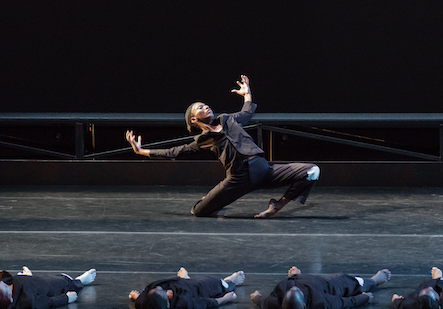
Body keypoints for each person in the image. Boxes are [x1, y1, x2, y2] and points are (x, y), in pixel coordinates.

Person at [126, 75, 320, 218]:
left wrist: (247, 94)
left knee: (312, 171)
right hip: (238, 179)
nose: (206, 107)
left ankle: (276, 206)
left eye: (206, 105)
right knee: (199, 211)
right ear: (194, 119)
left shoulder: (227, 119)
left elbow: (246, 113)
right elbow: (175, 151)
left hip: (262, 170)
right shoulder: (203, 139)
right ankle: (211, 199)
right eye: (201, 107)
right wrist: (141, 150)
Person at [251, 266, 391, 309]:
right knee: (346, 281)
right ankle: (373, 281)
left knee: (294, 280)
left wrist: (255, 296)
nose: (294, 289)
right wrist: (363, 298)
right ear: (304, 303)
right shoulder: (321, 303)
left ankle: (297, 275)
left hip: (296, 279)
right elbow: (345, 303)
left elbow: (260, 300)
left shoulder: (272, 304)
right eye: (297, 291)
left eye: (291, 291)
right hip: (322, 285)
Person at [0, 266, 96, 309]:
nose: (0, 283)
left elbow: (2, 283)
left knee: (3, 275)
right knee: (60, 282)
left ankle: (25, 276)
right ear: (11, 299)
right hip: (33, 287)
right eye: (3, 287)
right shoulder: (26, 301)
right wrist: (66, 298)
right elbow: (48, 302)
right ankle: (78, 281)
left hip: (18, 281)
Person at [129, 267, 244, 309]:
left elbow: (141, 300)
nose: (158, 287)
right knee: (218, 284)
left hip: (177, 284)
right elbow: (204, 303)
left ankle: (184, 278)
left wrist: (137, 297)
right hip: (195, 289)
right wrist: (225, 299)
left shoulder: (142, 304)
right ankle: (230, 281)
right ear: (167, 303)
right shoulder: (185, 303)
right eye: (161, 291)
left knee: (183, 281)